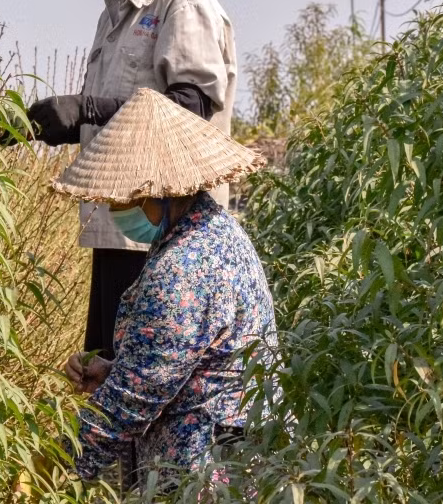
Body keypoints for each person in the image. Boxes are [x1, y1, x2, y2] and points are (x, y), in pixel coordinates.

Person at [30, 0, 238, 361]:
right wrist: (34, 124)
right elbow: (105, 114)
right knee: (104, 372)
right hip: (121, 221)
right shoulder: (119, 11)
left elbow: (187, 109)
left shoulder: (183, 3)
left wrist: (86, 108)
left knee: (143, 377)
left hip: (163, 224)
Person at [50, 88, 279, 488]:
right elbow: (179, 362)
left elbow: (131, 401)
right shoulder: (214, 230)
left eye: (124, 197)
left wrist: (50, 468)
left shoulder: (183, 269)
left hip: (206, 469)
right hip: (236, 454)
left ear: (160, 191)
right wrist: (113, 371)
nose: (114, 207)